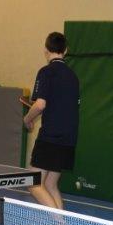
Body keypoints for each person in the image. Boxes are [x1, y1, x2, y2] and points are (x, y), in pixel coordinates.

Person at [23, 32, 80, 209]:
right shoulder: (73, 76)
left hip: (51, 137)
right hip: (69, 138)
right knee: (50, 184)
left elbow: (40, 105)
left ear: (46, 50)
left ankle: (60, 222)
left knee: (33, 182)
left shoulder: (46, 72)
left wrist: (27, 119)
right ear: (66, 50)